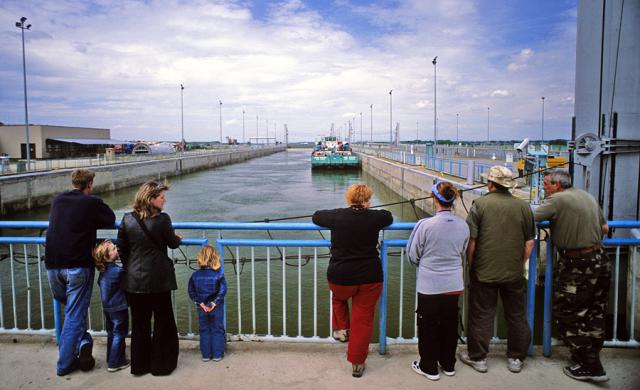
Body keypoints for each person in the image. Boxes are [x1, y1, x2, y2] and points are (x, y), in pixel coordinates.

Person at [534, 169, 610, 382]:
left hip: (578, 263)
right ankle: (592, 356)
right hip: (600, 258)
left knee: (567, 311)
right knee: (595, 311)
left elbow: (529, 217)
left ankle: (589, 364)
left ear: (557, 185)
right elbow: (604, 228)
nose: (544, 188)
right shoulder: (586, 196)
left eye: (546, 184)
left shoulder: (557, 200)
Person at [458, 166, 534, 374]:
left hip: (484, 271)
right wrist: (519, 264)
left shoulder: (480, 204)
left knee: (481, 315)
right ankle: (516, 359)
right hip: (514, 272)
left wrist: (471, 264)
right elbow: (529, 242)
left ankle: (479, 358)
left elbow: (472, 241)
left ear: (491, 184)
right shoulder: (523, 206)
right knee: (517, 315)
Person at [312, 183, 393, 378]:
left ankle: (341, 330)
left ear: (349, 199)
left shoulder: (337, 216)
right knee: (363, 320)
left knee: (338, 299)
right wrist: (369, 210)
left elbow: (316, 216)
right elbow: (388, 216)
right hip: (370, 279)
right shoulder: (376, 217)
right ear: (367, 201)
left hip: (341, 277)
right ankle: (357, 362)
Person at [45, 169, 116, 376]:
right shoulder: (91, 202)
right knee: (74, 314)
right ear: (89, 185)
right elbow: (110, 219)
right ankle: (65, 364)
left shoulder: (58, 200)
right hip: (77, 266)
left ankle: (83, 341)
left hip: (52, 265)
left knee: (70, 310)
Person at [117, 180, 182, 376]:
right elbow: (172, 244)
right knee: (163, 321)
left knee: (139, 324)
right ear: (151, 199)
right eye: (162, 197)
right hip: (159, 281)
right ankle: (161, 365)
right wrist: (177, 237)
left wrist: (132, 268)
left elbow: (122, 249)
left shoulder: (127, 219)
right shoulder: (163, 220)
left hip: (134, 281)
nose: (165, 200)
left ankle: (140, 366)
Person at [406, 181, 469, 381]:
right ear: (453, 199)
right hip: (454, 284)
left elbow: (412, 256)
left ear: (435, 200)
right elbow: (463, 251)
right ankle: (448, 364)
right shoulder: (463, 225)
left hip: (429, 285)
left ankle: (429, 367)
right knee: (450, 325)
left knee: (428, 326)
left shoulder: (425, 225)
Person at [93, 240, 130, 372]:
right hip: (119, 306)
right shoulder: (117, 271)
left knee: (111, 333)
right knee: (120, 333)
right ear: (107, 256)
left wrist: (108, 243)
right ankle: (115, 363)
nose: (117, 250)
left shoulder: (104, 271)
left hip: (107, 307)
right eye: (114, 249)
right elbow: (127, 278)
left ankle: (112, 358)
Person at [188, 245, 227, 362]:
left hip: (202, 308)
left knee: (204, 330)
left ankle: (205, 355)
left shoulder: (195, 275)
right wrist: (215, 302)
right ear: (216, 258)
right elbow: (223, 289)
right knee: (217, 329)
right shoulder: (219, 274)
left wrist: (200, 303)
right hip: (216, 307)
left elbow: (191, 291)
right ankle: (217, 355)